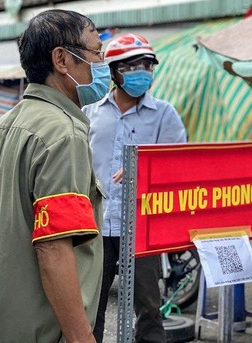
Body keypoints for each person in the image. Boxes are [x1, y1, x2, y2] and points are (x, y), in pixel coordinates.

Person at [0, 9, 108, 342]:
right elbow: (54, 249)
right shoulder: (63, 135)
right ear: (62, 60)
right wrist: (82, 338)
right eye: (97, 53)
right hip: (42, 330)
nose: (102, 65)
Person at [84, 33, 186, 343]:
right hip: (96, 226)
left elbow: (177, 166)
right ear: (113, 71)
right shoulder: (90, 112)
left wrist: (144, 169)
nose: (142, 71)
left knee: (148, 305)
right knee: (90, 304)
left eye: (147, 65)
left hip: (142, 227)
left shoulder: (164, 115)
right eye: (132, 65)